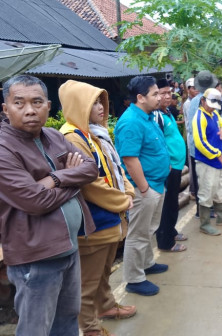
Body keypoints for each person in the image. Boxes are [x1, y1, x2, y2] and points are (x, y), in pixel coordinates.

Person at [0, 75, 98, 336]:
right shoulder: (3, 147)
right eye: (19, 103)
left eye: (37, 102)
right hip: (36, 257)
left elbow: (90, 168)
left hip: (69, 248)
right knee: (36, 329)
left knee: (67, 321)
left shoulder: (53, 136)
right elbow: (35, 200)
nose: (29, 110)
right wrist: (73, 181)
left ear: (48, 106)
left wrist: (56, 178)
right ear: (5, 108)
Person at [58, 80, 137, 336]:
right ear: (78, 105)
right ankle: (90, 328)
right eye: (94, 103)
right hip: (93, 222)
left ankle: (106, 306)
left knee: (104, 271)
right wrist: (121, 201)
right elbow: (88, 184)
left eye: (101, 101)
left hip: (111, 216)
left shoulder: (95, 133)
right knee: (88, 282)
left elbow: (115, 168)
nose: (102, 107)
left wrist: (128, 191)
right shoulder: (72, 138)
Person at [114, 76, 171, 296]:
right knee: (138, 233)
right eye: (155, 94)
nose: (160, 97)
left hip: (155, 184)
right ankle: (134, 279)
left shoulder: (147, 117)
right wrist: (145, 189)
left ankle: (147, 263)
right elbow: (130, 158)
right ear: (140, 97)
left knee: (149, 229)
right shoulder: (131, 122)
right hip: (144, 188)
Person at [192, 88, 222, 235]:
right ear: (203, 101)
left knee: (220, 189)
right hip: (206, 161)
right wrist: (218, 154)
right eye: (211, 103)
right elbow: (200, 143)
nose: (212, 107)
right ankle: (204, 224)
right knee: (206, 192)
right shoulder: (199, 117)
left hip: (218, 161)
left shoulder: (213, 114)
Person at [154, 79, 188, 253]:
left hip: (175, 166)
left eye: (169, 92)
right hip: (169, 168)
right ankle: (165, 241)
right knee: (167, 205)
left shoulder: (167, 112)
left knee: (173, 201)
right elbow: (158, 143)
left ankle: (171, 230)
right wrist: (166, 164)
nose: (168, 96)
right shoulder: (156, 116)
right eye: (163, 93)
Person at [187, 71, 219, 217]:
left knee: (203, 180)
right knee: (205, 180)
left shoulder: (195, 101)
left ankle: (203, 210)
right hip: (203, 148)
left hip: (196, 147)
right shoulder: (204, 101)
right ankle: (204, 211)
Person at [182, 77, 199, 200]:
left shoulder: (196, 101)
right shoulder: (188, 104)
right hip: (192, 139)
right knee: (193, 166)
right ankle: (193, 190)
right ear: (188, 90)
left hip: (197, 138)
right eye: (194, 88)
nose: (196, 90)